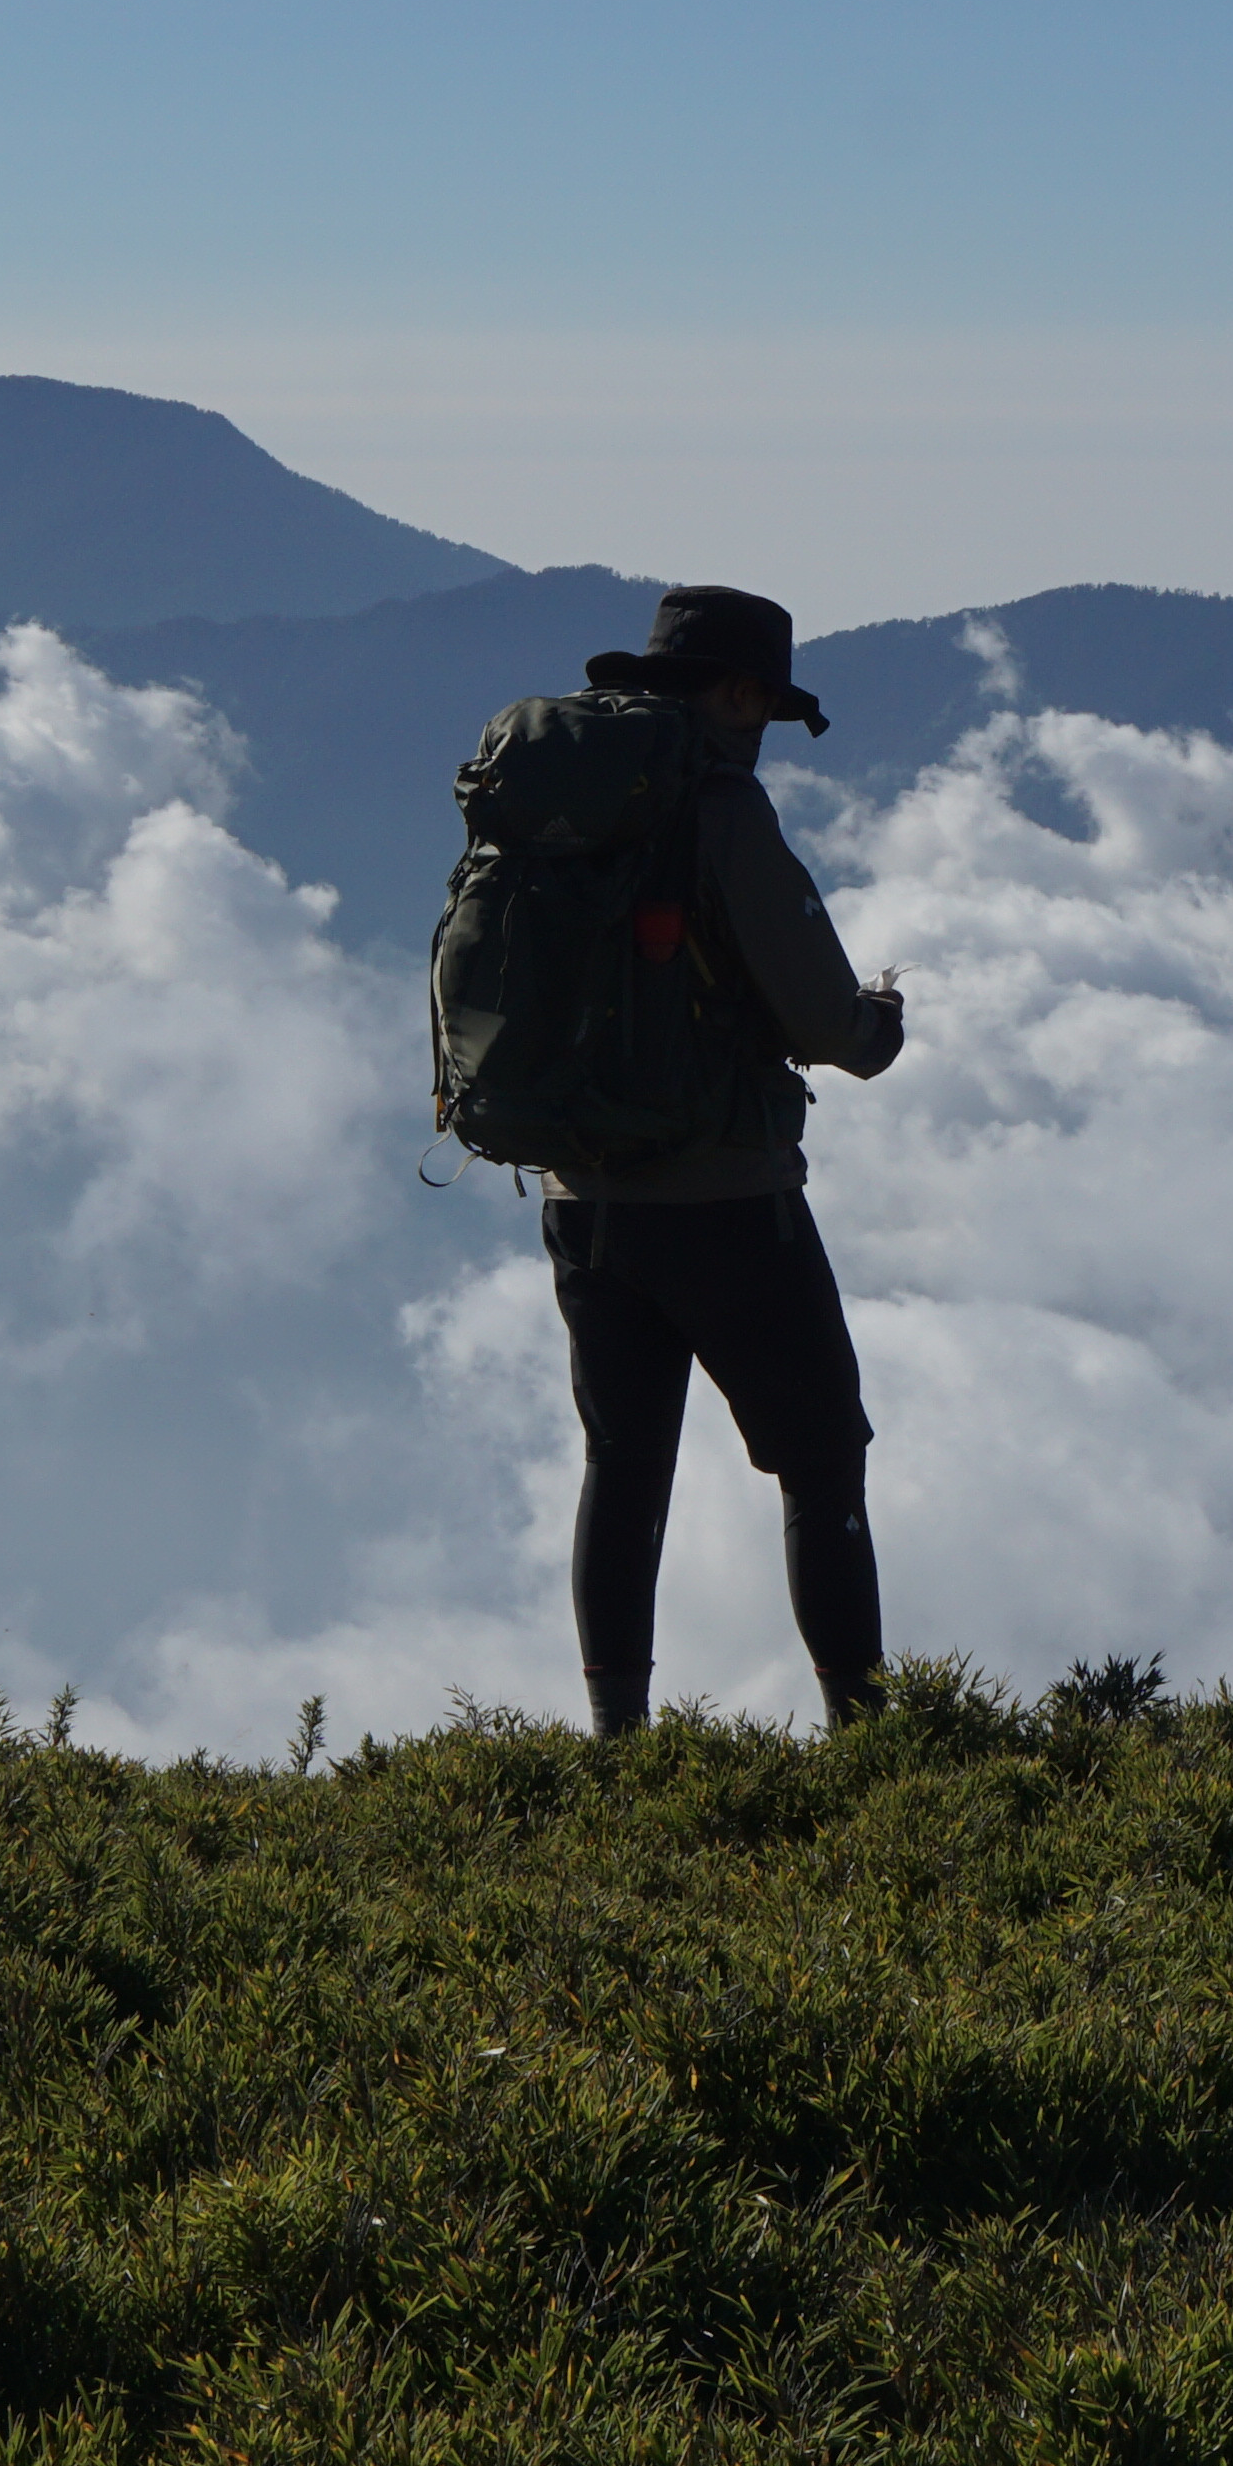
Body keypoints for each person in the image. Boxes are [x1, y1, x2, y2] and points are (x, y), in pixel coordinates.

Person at [543, 581, 907, 1735]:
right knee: (822, 1460)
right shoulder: (720, 808)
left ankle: (618, 1741)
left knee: (623, 1463)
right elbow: (822, 1023)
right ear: (742, 691)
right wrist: (879, 1019)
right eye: (767, 707)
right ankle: (864, 1736)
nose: (767, 734)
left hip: (581, 1192)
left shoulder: (566, 795)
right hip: (726, 1200)